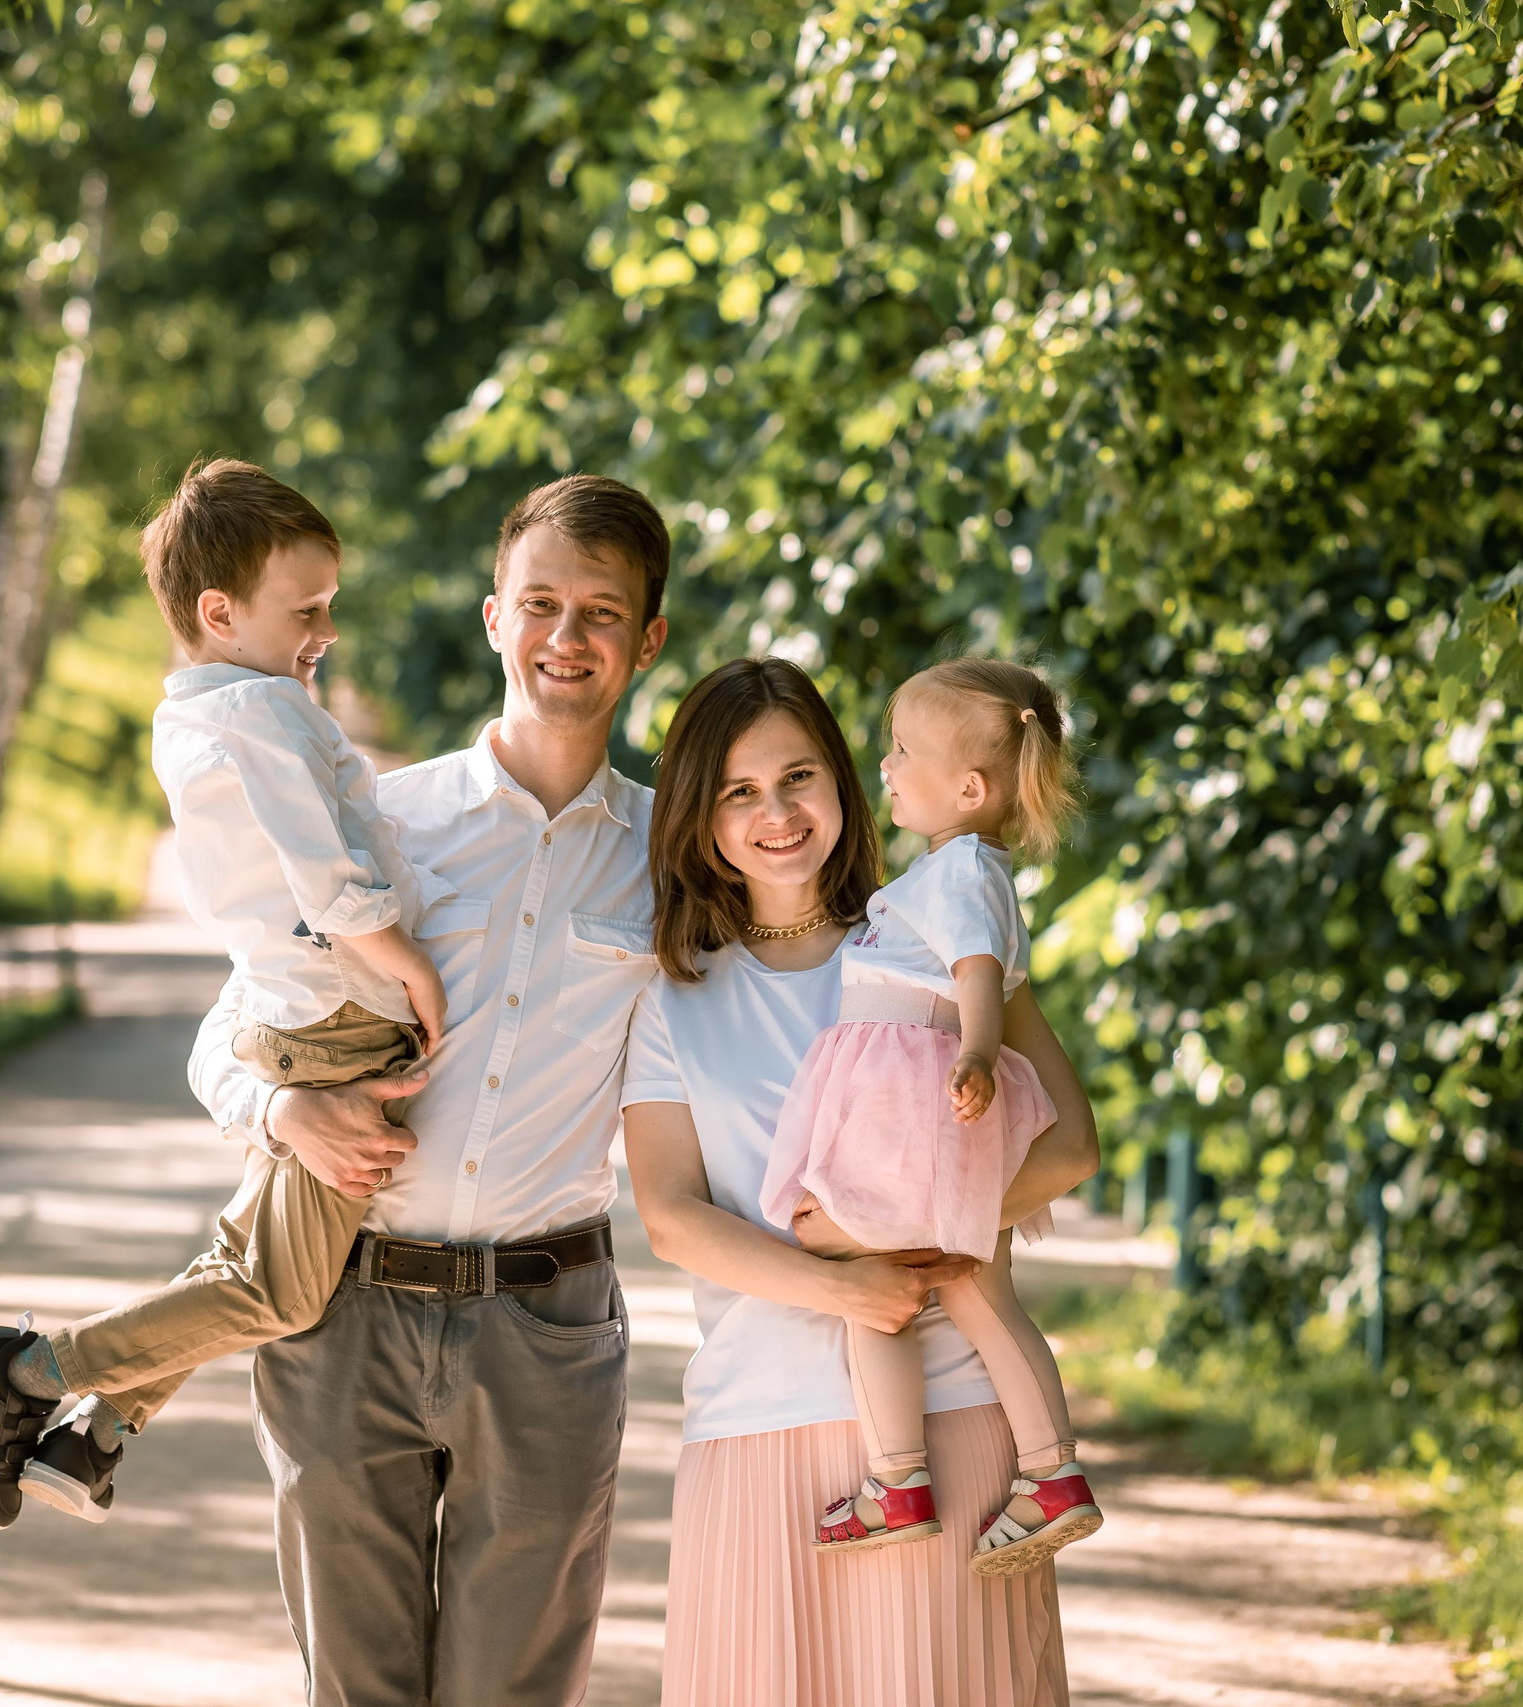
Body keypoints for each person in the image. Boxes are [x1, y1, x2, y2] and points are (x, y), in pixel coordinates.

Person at [186, 474, 671, 1706]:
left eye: (602, 613)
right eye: (543, 603)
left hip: (548, 1327)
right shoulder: (380, 827)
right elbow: (223, 1037)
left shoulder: (675, 864)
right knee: (357, 1691)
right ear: (494, 616)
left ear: (648, 640)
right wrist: (283, 1110)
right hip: (348, 1310)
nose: (569, 637)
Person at [0, 459, 448, 1532]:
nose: (325, 631)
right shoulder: (261, 712)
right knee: (283, 1292)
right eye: (305, 610)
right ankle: (29, 1370)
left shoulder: (211, 712)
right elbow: (318, 863)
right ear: (220, 612)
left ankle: (95, 1434)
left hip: (306, 1015)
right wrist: (400, 955)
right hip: (338, 1018)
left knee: (241, 1256)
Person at [624, 657, 1097, 1707]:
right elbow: (672, 1216)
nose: (777, 813)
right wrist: (850, 1285)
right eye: (739, 791)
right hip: (755, 1422)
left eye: (799, 776)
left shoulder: (932, 938)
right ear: (698, 813)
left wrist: (913, 1232)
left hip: (954, 1423)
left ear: (845, 781)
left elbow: (1068, 1148)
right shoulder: (674, 998)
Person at [761, 658, 1101, 1572]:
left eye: (902, 751)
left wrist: (981, 1052)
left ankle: (902, 1479)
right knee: (974, 1287)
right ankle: (1047, 1474)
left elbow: (978, 971)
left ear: (969, 788)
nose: (887, 766)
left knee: (853, 1261)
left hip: (923, 1106)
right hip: (929, 1106)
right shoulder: (953, 869)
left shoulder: (961, 872)